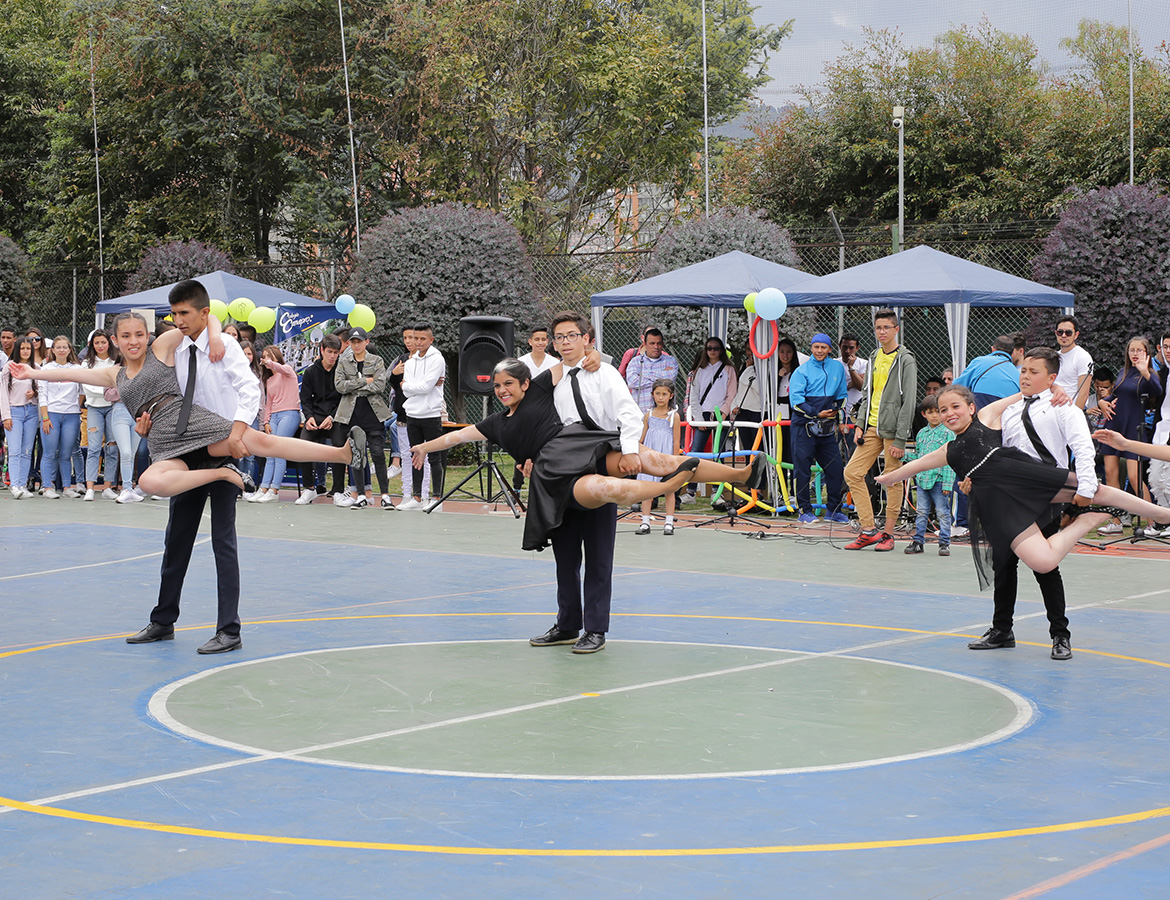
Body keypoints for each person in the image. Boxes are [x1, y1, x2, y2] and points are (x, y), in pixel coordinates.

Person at [877, 383, 1170, 605]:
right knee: (1043, 561)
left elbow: (1028, 391)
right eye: (943, 410)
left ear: (970, 407)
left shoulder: (988, 417)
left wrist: (1056, 388)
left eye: (955, 406)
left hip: (1026, 478)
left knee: (1096, 490)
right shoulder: (949, 450)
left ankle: (1161, 514)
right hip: (1003, 506)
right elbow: (912, 467)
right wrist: (887, 476)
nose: (949, 413)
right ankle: (1088, 521)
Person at [843, 310, 917, 551]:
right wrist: (860, 425)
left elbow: (909, 402)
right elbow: (868, 394)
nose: (882, 332)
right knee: (852, 472)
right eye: (878, 328)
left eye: (886, 327)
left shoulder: (906, 359)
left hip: (893, 430)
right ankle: (868, 530)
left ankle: (888, 535)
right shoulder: (874, 356)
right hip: (871, 426)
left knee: (892, 480)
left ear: (896, 329)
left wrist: (900, 437)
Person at [1095, 336, 1163, 534]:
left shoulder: (1149, 373)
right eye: (1131, 350)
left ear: (1146, 353)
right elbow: (1117, 395)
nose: (1134, 354)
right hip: (1113, 425)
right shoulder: (1123, 372)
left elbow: (1157, 391)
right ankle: (1115, 522)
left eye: (1139, 350)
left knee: (1135, 478)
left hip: (1134, 429)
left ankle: (1153, 522)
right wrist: (1102, 402)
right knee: (1111, 476)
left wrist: (1144, 371)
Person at [789, 334, 849, 525]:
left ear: (830, 349)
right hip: (803, 427)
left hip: (827, 429)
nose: (820, 351)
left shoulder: (837, 368)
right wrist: (816, 413)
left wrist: (836, 409)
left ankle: (834, 509)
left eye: (824, 347)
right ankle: (805, 510)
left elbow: (842, 395)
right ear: (811, 348)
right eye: (816, 347)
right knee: (802, 470)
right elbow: (796, 401)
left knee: (836, 468)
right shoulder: (801, 371)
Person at [334, 326, 391, 509]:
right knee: (356, 456)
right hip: (351, 414)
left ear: (367, 342)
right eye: (353, 341)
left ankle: (385, 495)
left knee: (377, 454)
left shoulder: (377, 360)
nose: (356, 345)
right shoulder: (343, 361)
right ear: (349, 343)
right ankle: (359, 496)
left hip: (373, 413)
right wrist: (364, 381)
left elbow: (380, 385)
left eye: (360, 341)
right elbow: (340, 386)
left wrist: (356, 386)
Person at [398, 322, 446, 511]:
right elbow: (410, 391)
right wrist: (407, 387)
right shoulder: (409, 363)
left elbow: (425, 388)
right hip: (412, 414)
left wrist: (407, 385)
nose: (418, 342)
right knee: (415, 455)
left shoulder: (437, 359)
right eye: (415, 338)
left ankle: (436, 498)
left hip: (431, 414)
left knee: (434, 457)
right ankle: (417, 498)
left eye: (422, 339)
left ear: (431, 340)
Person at [295, 334, 347, 505]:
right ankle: (309, 489)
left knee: (340, 446)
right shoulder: (310, 371)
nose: (332, 356)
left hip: (336, 417)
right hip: (315, 416)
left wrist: (333, 417)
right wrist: (309, 418)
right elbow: (306, 399)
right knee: (303, 445)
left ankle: (338, 490)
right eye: (329, 352)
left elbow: (344, 399)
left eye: (336, 352)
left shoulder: (342, 371)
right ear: (322, 350)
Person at [902, 395, 954, 556]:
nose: (934, 416)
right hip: (923, 480)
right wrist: (903, 455)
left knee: (942, 512)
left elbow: (949, 459)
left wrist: (947, 483)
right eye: (930, 412)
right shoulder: (922, 434)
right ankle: (918, 541)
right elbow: (920, 457)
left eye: (938, 412)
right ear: (924, 414)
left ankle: (944, 543)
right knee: (921, 511)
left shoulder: (948, 433)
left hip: (939, 480)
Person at [253, 345, 303, 502]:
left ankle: (274, 490)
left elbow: (280, 367)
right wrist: (266, 421)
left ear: (276, 356)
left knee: (279, 451)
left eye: (269, 355)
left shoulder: (288, 370)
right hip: (273, 416)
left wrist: (270, 363)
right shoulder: (269, 380)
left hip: (289, 414)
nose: (266, 358)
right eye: (264, 356)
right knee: (270, 453)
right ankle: (264, 488)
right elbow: (269, 402)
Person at [36, 336, 83, 499]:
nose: (62, 350)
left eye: (65, 347)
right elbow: (42, 394)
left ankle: (66, 487)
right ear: (53, 350)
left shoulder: (77, 369)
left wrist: (76, 407)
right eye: (59, 347)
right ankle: (48, 486)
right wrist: (45, 417)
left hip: (72, 415)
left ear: (70, 350)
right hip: (52, 415)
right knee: (49, 453)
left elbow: (82, 391)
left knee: (66, 453)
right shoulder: (46, 369)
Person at [636, 378, 683, 535]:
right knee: (647, 489)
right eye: (657, 394)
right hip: (649, 457)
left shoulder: (674, 416)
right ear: (653, 395)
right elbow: (642, 438)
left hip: (666, 458)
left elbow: (676, 441)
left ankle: (669, 522)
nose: (661, 397)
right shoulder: (648, 415)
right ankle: (645, 521)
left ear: (671, 396)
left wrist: (675, 462)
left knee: (669, 490)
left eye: (664, 394)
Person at [80, 329, 119, 500]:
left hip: (113, 408)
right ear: (92, 345)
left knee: (111, 447)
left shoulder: (116, 361)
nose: (100, 346)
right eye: (97, 343)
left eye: (103, 342)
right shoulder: (87, 364)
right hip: (94, 409)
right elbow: (87, 386)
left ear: (109, 342)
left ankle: (108, 487)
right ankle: (90, 487)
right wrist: (107, 390)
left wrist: (109, 392)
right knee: (94, 447)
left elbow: (118, 384)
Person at [2, 337, 39, 497]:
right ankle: (15, 485)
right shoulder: (8, 368)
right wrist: (5, 416)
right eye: (22, 348)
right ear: (18, 350)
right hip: (14, 412)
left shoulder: (35, 368)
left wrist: (34, 394)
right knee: (15, 450)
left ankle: (23, 485)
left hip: (31, 412)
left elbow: (42, 392)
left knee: (27, 450)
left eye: (28, 348)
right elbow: (2, 393)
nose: (25, 351)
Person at [624, 327, 678, 413]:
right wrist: (661, 376)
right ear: (645, 344)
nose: (656, 347)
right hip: (640, 414)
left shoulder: (670, 361)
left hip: (665, 415)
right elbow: (632, 382)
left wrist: (643, 375)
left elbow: (670, 379)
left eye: (659, 343)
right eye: (652, 343)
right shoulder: (635, 361)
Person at [1054, 316, 1094, 409]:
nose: (1063, 335)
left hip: (1071, 411)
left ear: (1076, 335)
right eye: (1060, 332)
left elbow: (1083, 394)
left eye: (1068, 333)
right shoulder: (1054, 356)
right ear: (1056, 333)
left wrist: (1075, 417)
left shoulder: (1082, 357)